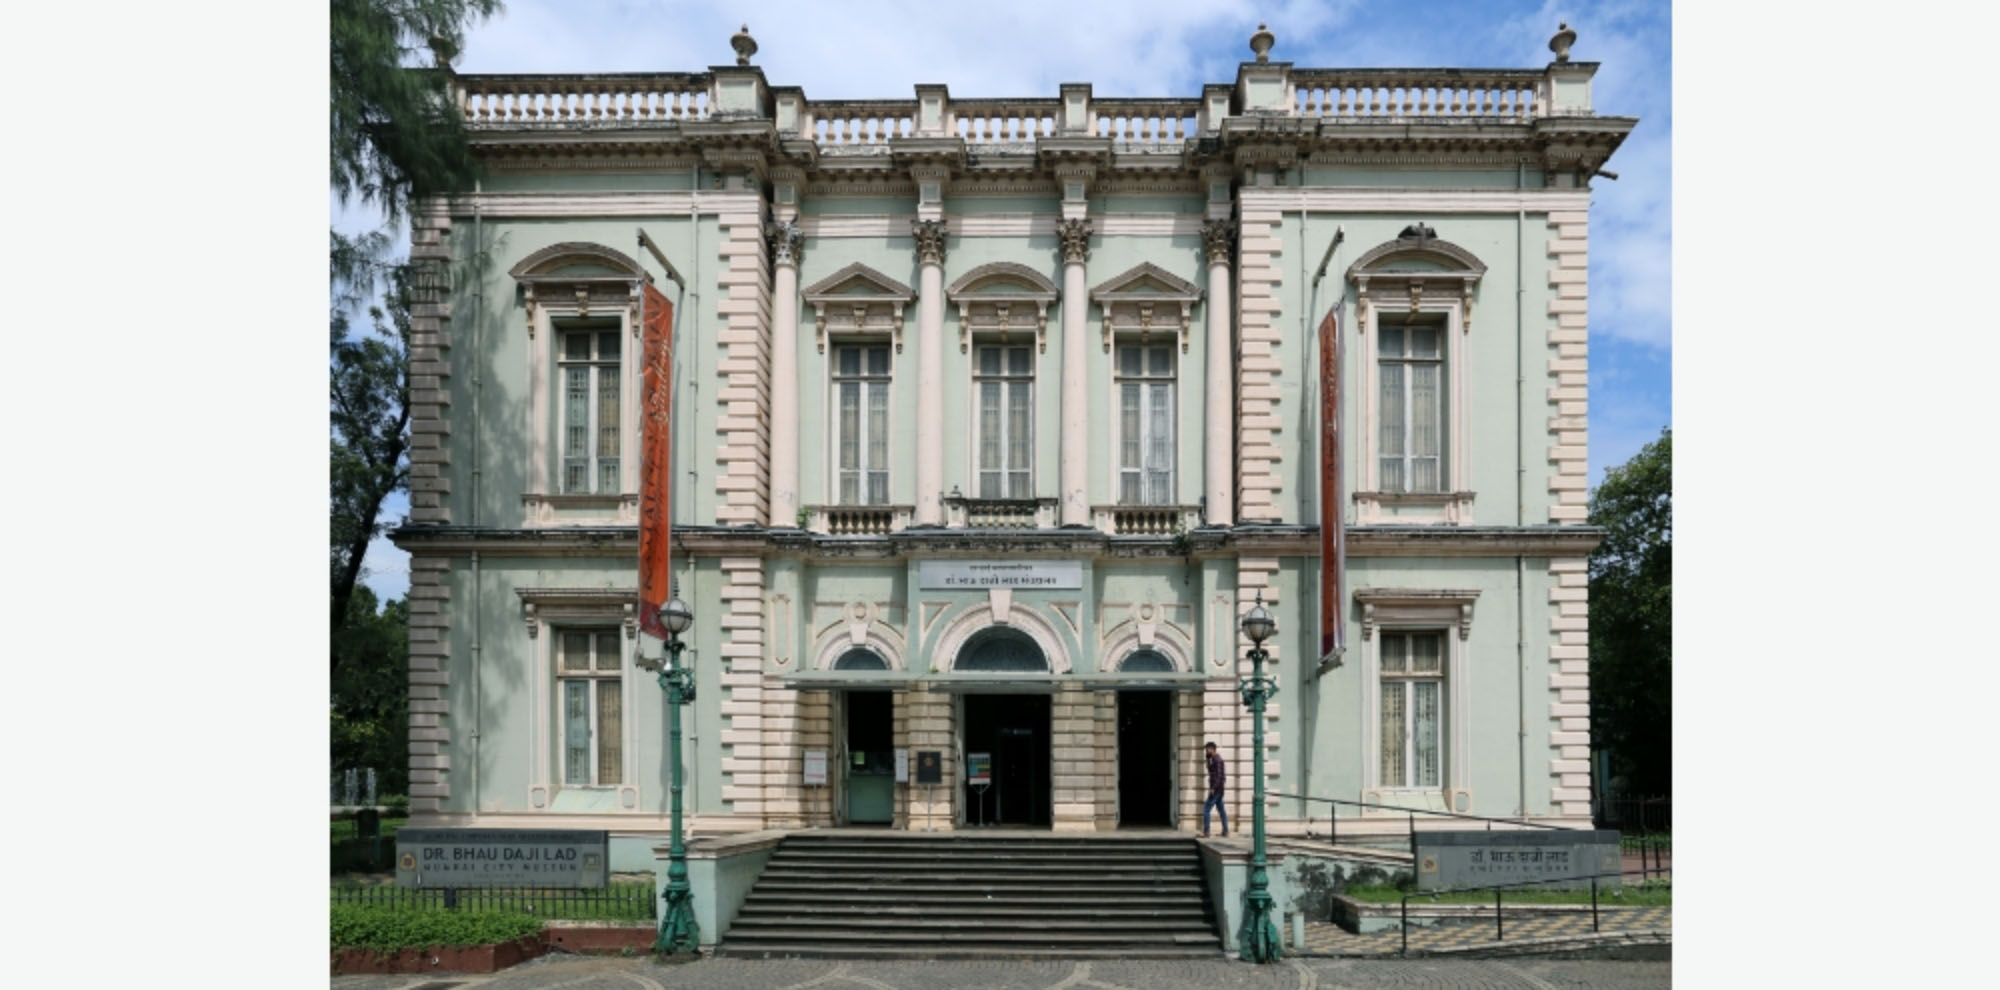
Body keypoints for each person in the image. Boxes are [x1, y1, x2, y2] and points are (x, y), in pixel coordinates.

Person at [1202, 741, 1228, 838]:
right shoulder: (1214, 759)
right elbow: (1210, 770)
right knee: (1221, 810)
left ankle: (1206, 832)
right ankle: (1225, 831)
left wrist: (1213, 788)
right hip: (1219, 789)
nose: (1206, 751)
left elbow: (1219, 776)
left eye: (1207, 749)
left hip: (1216, 789)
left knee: (1206, 809)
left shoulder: (1218, 760)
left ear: (1212, 749)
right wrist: (1207, 759)